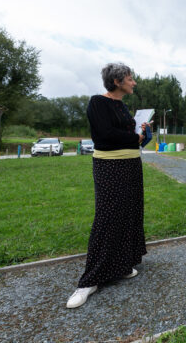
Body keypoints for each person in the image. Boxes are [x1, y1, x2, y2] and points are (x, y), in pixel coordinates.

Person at [66, 63, 149, 308]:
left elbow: (127, 133)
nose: (133, 82)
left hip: (132, 165)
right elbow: (103, 135)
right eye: (130, 78)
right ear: (117, 81)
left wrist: (141, 131)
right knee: (107, 217)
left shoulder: (122, 105)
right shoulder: (97, 102)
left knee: (129, 214)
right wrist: (135, 137)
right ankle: (88, 281)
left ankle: (121, 265)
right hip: (110, 167)